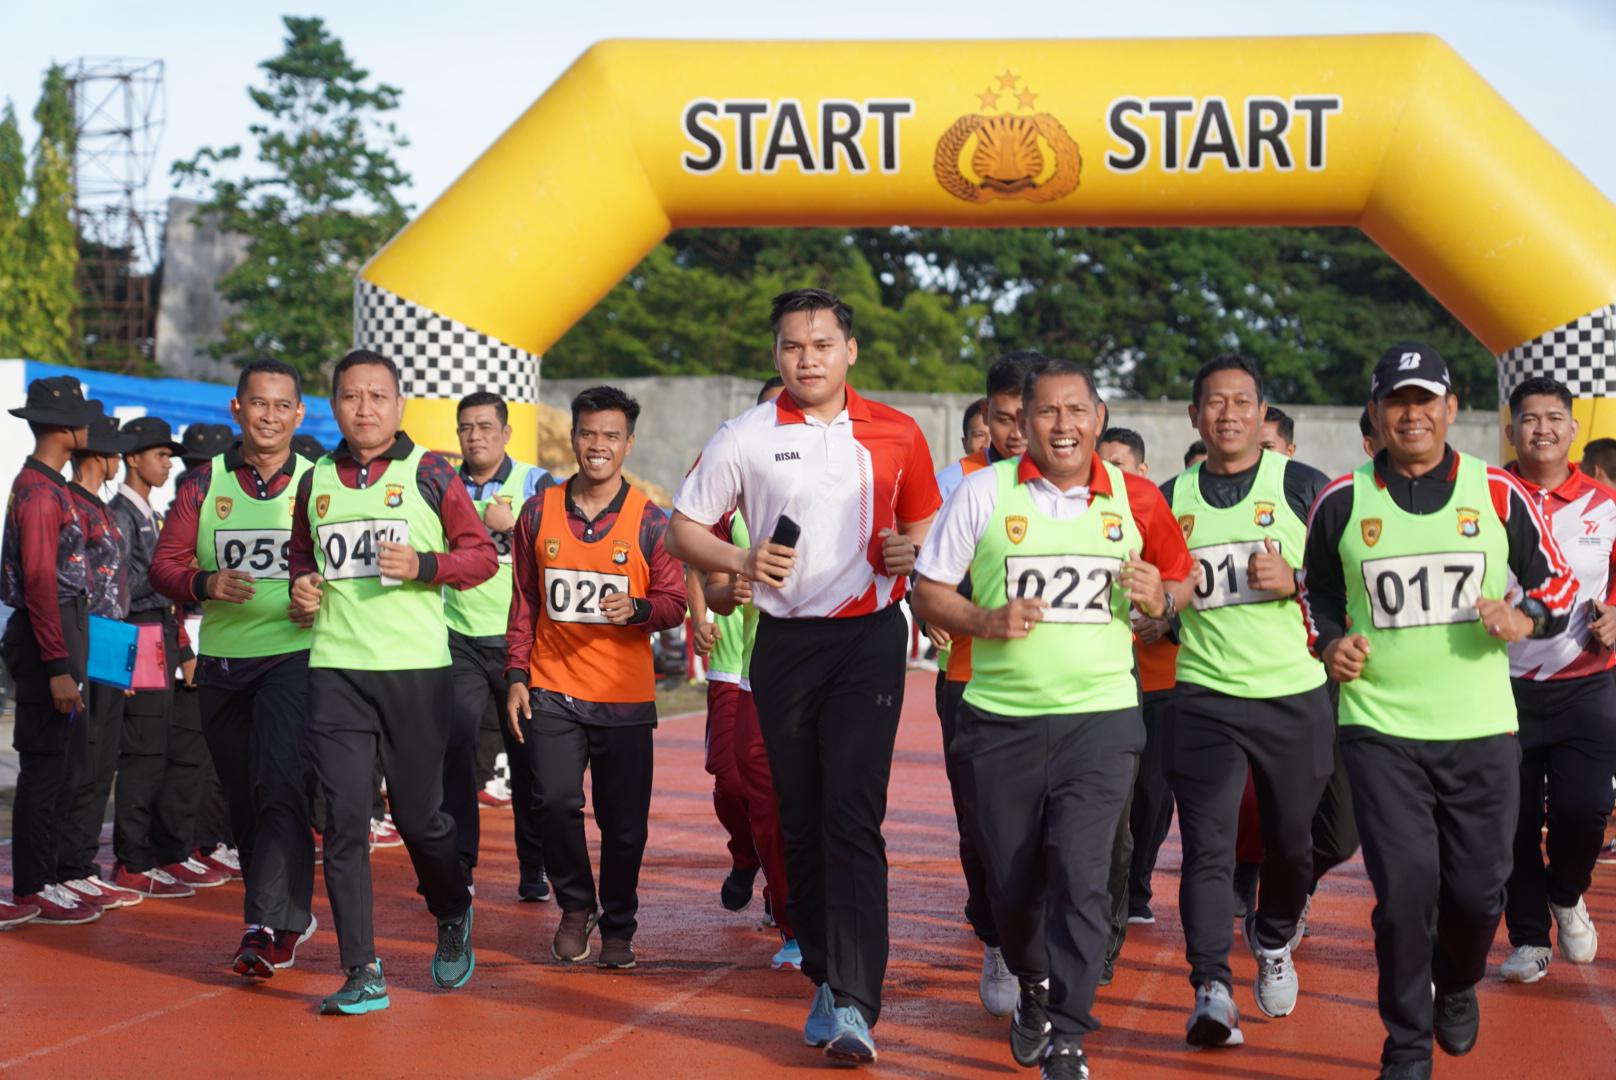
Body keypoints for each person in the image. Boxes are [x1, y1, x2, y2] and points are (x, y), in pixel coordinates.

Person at [667, 287, 940, 1066]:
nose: (807, 359)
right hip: (784, 644)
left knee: (851, 815)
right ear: (776, 355)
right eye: (793, 346)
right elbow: (684, 528)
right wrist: (742, 558)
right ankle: (824, 971)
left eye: (822, 344)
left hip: (869, 642)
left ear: (849, 350)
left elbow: (924, 523)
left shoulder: (899, 430)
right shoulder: (746, 435)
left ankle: (855, 999)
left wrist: (910, 550)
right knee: (800, 819)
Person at [1301, 342, 1575, 1080]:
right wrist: (1329, 643)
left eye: (1425, 400)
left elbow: (1557, 586)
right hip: (1379, 730)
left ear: (1451, 409)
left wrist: (1523, 618)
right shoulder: (1341, 500)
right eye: (1397, 401)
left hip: (1481, 729)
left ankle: (1456, 981)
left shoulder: (1497, 492)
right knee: (1404, 895)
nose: (1411, 414)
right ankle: (1406, 1047)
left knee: (1477, 894)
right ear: (1375, 412)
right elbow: (1314, 591)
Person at [915, 361, 1195, 1079]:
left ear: (1099, 418)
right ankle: (1033, 981)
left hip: (1100, 719)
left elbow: (1181, 577)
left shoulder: (1135, 497)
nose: (1062, 425)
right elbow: (928, 590)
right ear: (1022, 421)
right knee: (1009, 885)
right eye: (1046, 411)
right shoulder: (984, 492)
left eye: (1076, 410)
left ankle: (1068, 1034)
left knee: (1082, 871)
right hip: (999, 720)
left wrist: (1160, 598)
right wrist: (985, 619)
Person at [288, 349, 496, 1014]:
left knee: (418, 818)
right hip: (336, 670)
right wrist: (301, 586)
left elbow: (481, 558)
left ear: (399, 405)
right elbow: (302, 556)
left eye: (378, 396)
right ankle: (362, 971)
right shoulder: (314, 478)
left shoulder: (430, 471)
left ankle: (452, 905)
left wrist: (425, 565)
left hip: (415, 672)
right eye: (352, 396)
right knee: (344, 821)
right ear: (334, 406)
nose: (365, 408)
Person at [1162, 353, 1333, 1047]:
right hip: (1205, 695)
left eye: (1242, 402)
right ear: (1194, 415)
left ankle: (1274, 934)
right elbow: (1156, 592)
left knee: (1293, 846)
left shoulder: (1303, 486)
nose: (1228, 414)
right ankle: (1211, 988)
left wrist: (1295, 579)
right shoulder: (1170, 498)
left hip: (1294, 695)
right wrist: (1156, 606)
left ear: (1263, 414)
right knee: (1207, 847)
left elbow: (1346, 583)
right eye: (1215, 402)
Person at [151, 359, 324, 977]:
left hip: (295, 658)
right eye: (258, 403)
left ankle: (267, 923)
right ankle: (280, 912)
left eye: (281, 405)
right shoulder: (203, 484)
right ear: (236, 409)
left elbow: (347, 570)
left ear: (299, 414)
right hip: (225, 664)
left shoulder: (318, 482)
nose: (269, 416)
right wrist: (206, 582)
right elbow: (164, 566)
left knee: (278, 783)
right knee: (244, 796)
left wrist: (319, 594)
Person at [505, 386, 686, 971]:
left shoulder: (651, 521)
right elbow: (524, 601)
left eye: (611, 435)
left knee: (624, 826)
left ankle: (620, 921)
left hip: (624, 698)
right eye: (588, 433)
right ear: (573, 438)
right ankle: (576, 907)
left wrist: (638, 609)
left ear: (628, 443)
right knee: (553, 802)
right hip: (552, 687)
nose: (598, 445)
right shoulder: (537, 513)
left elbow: (675, 602)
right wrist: (516, 673)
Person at [1493, 377, 1616, 983]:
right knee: (1511, 820)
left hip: (1586, 683)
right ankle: (1527, 938)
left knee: (1585, 810)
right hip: (1499, 685)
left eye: (1553, 418)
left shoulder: (1605, 503)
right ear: (1510, 430)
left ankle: (1566, 892)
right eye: (1529, 418)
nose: (1541, 428)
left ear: (1572, 429)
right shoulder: (1486, 498)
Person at [932, 351, 1040, 1017]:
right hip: (971, 678)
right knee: (982, 826)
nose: (1017, 432)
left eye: (1028, 416)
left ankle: (1052, 951)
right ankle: (997, 937)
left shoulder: (1091, 485)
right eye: (1003, 419)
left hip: (1065, 688)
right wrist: (942, 609)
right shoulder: (960, 484)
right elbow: (926, 576)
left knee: (1061, 826)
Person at [691, 376, 800, 969]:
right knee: (734, 781)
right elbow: (696, 553)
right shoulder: (727, 469)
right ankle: (745, 854)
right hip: (735, 659)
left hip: (797, 660)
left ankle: (793, 915)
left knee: (783, 795)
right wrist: (710, 608)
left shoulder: (827, 477)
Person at [2, 377, 103, 926]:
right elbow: (40, 582)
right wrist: (58, 666)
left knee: (66, 762)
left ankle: (50, 878)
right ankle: (33, 884)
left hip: (63, 626)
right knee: (44, 765)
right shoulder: (40, 491)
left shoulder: (50, 485)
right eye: (82, 417)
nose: (89, 426)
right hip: (48, 631)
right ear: (64, 427)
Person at [443, 390, 552, 900]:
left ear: (506, 433)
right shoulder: (441, 482)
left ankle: (534, 867)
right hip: (458, 637)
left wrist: (519, 524)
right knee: (457, 748)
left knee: (528, 759)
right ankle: (459, 866)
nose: (475, 437)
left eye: (485, 427)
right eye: (466, 428)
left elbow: (561, 544)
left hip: (519, 643)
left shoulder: (536, 482)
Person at [109, 416, 224, 898]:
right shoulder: (120, 514)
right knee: (142, 752)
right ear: (132, 458)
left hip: (159, 636)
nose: (168, 464)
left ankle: (153, 854)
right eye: (160, 455)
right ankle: (133, 859)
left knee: (158, 750)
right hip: (135, 636)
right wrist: (173, 574)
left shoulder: (150, 515)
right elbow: (117, 587)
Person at [56, 410, 144, 912]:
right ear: (99, 455)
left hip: (112, 639)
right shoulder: (72, 506)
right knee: (81, 760)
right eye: (113, 451)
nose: (118, 460)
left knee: (104, 759)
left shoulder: (103, 510)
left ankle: (81, 864)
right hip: (84, 639)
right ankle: (65, 866)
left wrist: (123, 658)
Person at [1097, 429, 1177, 946]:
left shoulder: (1151, 510)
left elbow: (1183, 582)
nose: (1110, 473)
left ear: (1142, 472)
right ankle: (1113, 904)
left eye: (1120, 465)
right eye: (1103, 463)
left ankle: (1138, 885)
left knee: (1150, 791)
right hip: (1107, 684)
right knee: (1114, 800)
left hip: (1160, 676)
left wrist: (1164, 616)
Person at [174, 421, 239, 883]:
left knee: (223, 758)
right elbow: (166, 585)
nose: (200, 474)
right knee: (188, 755)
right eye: (192, 465)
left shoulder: (233, 505)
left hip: (227, 641)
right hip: (189, 646)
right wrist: (182, 649)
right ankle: (194, 842)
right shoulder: (181, 511)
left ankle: (215, 839)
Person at [936, 398, 990, 501]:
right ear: (965, 444)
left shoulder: (1016, 478)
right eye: (979, 435)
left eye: (994, 435)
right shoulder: (946, 484)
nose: (987, 444)